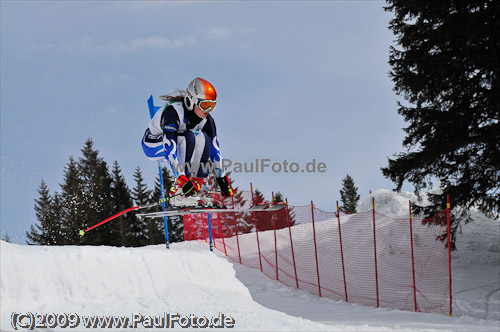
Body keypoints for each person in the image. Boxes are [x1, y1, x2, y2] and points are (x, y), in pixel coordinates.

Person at [142, 77, 234, 207]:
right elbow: (169, 146)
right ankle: (178, 194)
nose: (208, 110)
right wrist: (182, 179)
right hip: (152, 144)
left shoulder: (207, 120)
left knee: (203, 138)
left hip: (179, 143)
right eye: (205, 105)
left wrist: (222, 178)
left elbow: (215, 148)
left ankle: (198, 187)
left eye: (212, 105)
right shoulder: (173, 112)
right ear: (192, 101)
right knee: (187, 137)